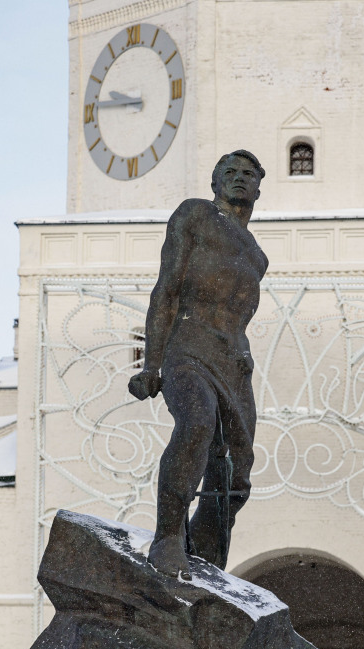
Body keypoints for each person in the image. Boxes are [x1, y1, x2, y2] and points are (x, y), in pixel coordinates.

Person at [128, 150, 268, 580]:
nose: (239, 178)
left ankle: (204, 553)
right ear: (215, 182)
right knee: (197, 424)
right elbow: (166, 289)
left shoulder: (258, 256)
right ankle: (168, 537)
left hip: (235, 362)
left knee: (237, 476)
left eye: (248, 174)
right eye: (230, 172)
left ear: (258, 189)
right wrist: (152, 364)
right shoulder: (195, 215)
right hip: (188, 347)